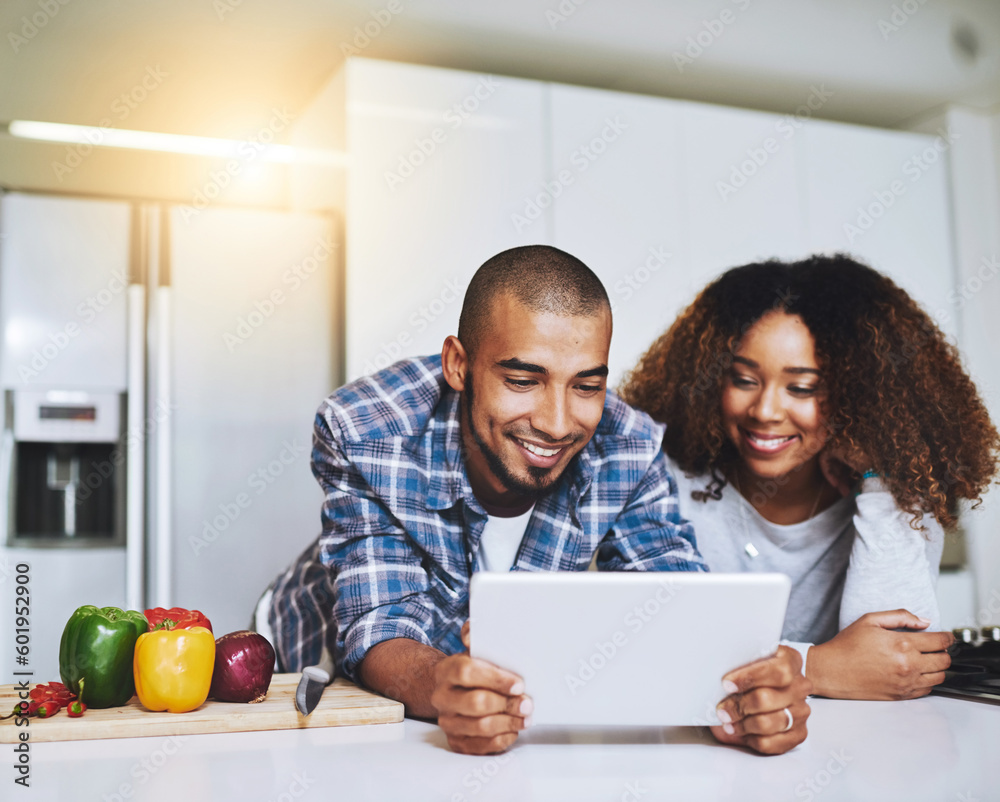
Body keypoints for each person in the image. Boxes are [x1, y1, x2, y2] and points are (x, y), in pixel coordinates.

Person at [262, 245, 811, 755]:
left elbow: (675, 599)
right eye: (523, 379)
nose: (556, 424)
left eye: (587, 385)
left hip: (477, 708)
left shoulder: (629, 446)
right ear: (459, 365)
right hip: (309, 665)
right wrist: (443, 687)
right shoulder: (367, 428)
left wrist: (747, 697)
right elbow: (381, 622)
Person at [620, 254, 1000, 701]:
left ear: (861, 393)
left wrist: (879, 481)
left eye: (801, 388)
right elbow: (657, 651)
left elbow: (894, 663)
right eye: (743, 379)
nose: (764, 411)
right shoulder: (661, 479)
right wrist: (814, 667)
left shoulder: (900, 491)